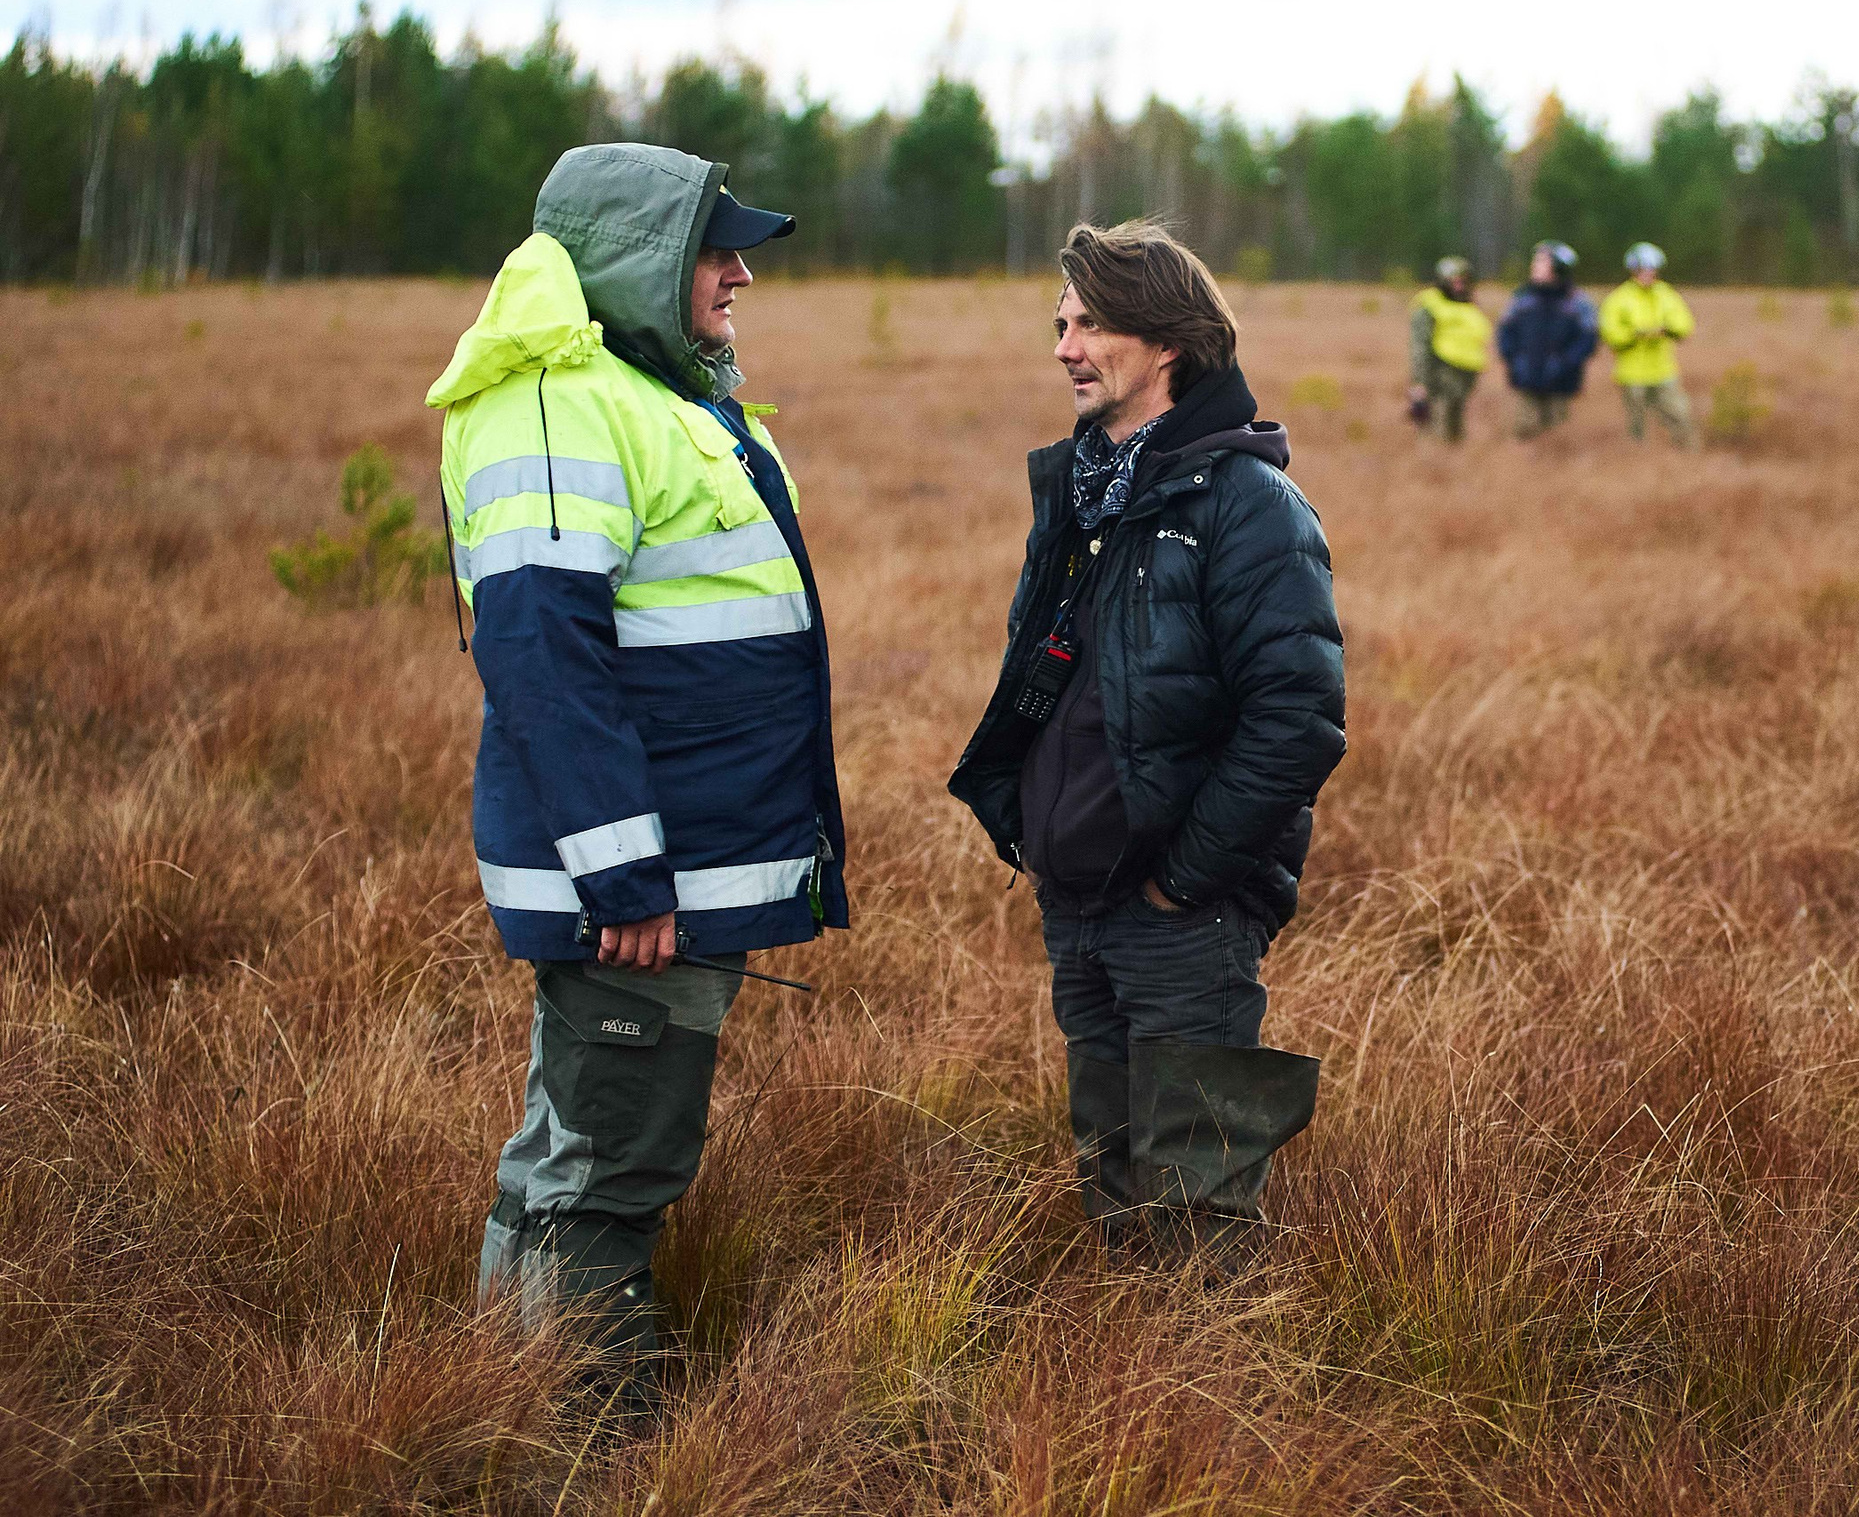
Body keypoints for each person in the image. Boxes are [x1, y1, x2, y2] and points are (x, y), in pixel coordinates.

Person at [427, 143, 847, 1405]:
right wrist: (624, 879)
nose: (738, 275)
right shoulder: (560, 402)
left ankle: (501, 1400)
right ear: (635, 260)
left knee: (577, 1146)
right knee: (611, 1168)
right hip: (635, 893)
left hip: (668, 868)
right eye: (714, 250)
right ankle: (585, 1438)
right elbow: (543, 655)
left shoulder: (640, 386)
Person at [948, 219, 1345, 1264]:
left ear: (1167, 343)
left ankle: (1215, 1408)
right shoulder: (1084, 497)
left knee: (1200, 1214)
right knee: (1115, 1193)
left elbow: (1298, 716)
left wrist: (1185, 878)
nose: (1064, 347)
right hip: (1079, 902)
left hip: (1181, 914)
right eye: (1060, 322)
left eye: (1090, 324)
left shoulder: (1247, 504)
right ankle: (1138, 1394)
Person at [1599, 242, 1698, 448]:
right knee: (1636, 425)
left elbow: (1684, 323)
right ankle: (1638, 462)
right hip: (1632, 374)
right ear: (1633, 270)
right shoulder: (1619, 298)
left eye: (1651, 269)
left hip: (1663, 371)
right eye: (1642, 269)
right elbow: (1610, 332)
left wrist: (1667, 329)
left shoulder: (1666, 294)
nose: (1647, 274)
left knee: (1680, 414)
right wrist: (1635, 335)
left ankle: (1688, 454)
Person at [1497, 241, 1598, 439]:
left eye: (1542, 262)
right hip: (1527, 379)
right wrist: (1515, 361)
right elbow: (1505, 333)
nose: (1534, 266)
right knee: (1525, 436)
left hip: (1561, 384)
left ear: (1558, 268)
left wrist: (1564, 363)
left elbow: (1588, 340)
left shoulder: (1578, 302)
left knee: (1557, 437)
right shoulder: (1522, 299)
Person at [1408, 255, 1493, 443]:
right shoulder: (1430, 305)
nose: (1459, 285)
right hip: (1439, 376)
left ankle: (1454, 466)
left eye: (1463, 280)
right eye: (1453, 280)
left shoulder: (1469, 306)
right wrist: (1419, 384)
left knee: (1456, 431)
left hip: (1463, 379)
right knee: (1439, 426)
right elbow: (1419, 348)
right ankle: (1434, 464)